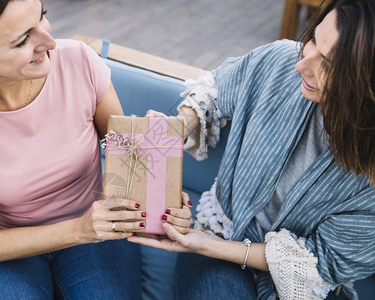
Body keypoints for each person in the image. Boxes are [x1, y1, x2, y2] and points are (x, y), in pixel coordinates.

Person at [0, 0, 192, 299]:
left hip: (97, 228)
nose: (49, 42)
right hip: (3, 245)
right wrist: (80, 229)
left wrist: (155, 167)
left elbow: (123, 152)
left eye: (43, 18)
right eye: (23, 39)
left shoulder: (78, 61)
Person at [128, 0, 375, 299]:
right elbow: (215, 87)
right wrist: (179, 125)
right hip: (218, 241)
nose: (301, 63)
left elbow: (322, 262)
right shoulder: (279, 62)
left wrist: (202, 244)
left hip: (300, 285)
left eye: (328, 63)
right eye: (311, 40)